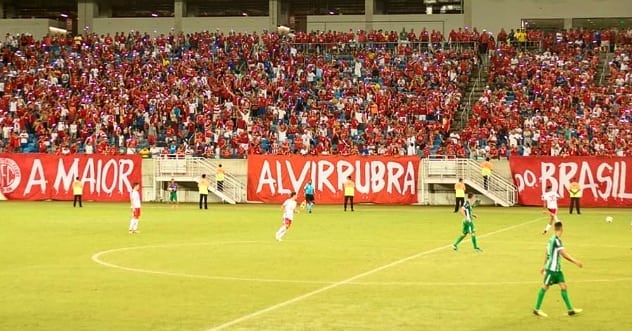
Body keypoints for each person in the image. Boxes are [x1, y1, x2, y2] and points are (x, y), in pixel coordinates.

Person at [533, 221, 583, 317]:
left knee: (564, 286)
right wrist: (575, 261)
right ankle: (536, 309)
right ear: (561, 230)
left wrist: (543, 265)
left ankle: (570, 310)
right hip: (552, 270)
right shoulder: (557, 240)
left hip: (557, 270)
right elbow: (563, 254)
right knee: (545, 287)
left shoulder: (550, 239)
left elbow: (547, 253)